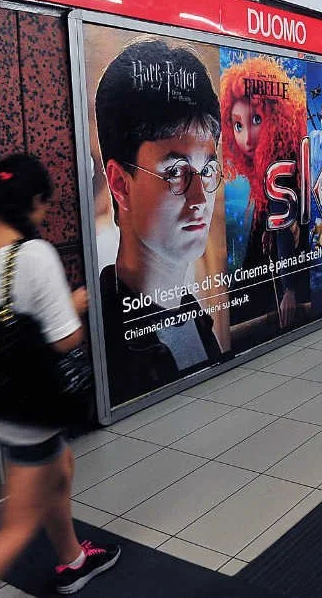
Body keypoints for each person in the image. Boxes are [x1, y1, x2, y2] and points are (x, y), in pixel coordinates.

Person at [0, 155, 120, 598]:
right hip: (26, 408)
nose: (45, 214)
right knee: (16, 529)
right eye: (45, 205)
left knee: (60, 466)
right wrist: (73, 306)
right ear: (34, 201)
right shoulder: (34, 255)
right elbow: (65, 340)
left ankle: (73, 560)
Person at [96, 40, 223, 408]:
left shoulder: (193, 314)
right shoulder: (110, 343)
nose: (200, 198)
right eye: (176, 172)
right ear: (120, 185)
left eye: (207, 170)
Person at [220, 54, 311, 347]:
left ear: (276, 117)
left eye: (256, 120)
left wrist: (289, 289)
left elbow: (284, 228)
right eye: (238, 125)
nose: (246, 138)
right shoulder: (266, 168)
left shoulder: (278, 165)